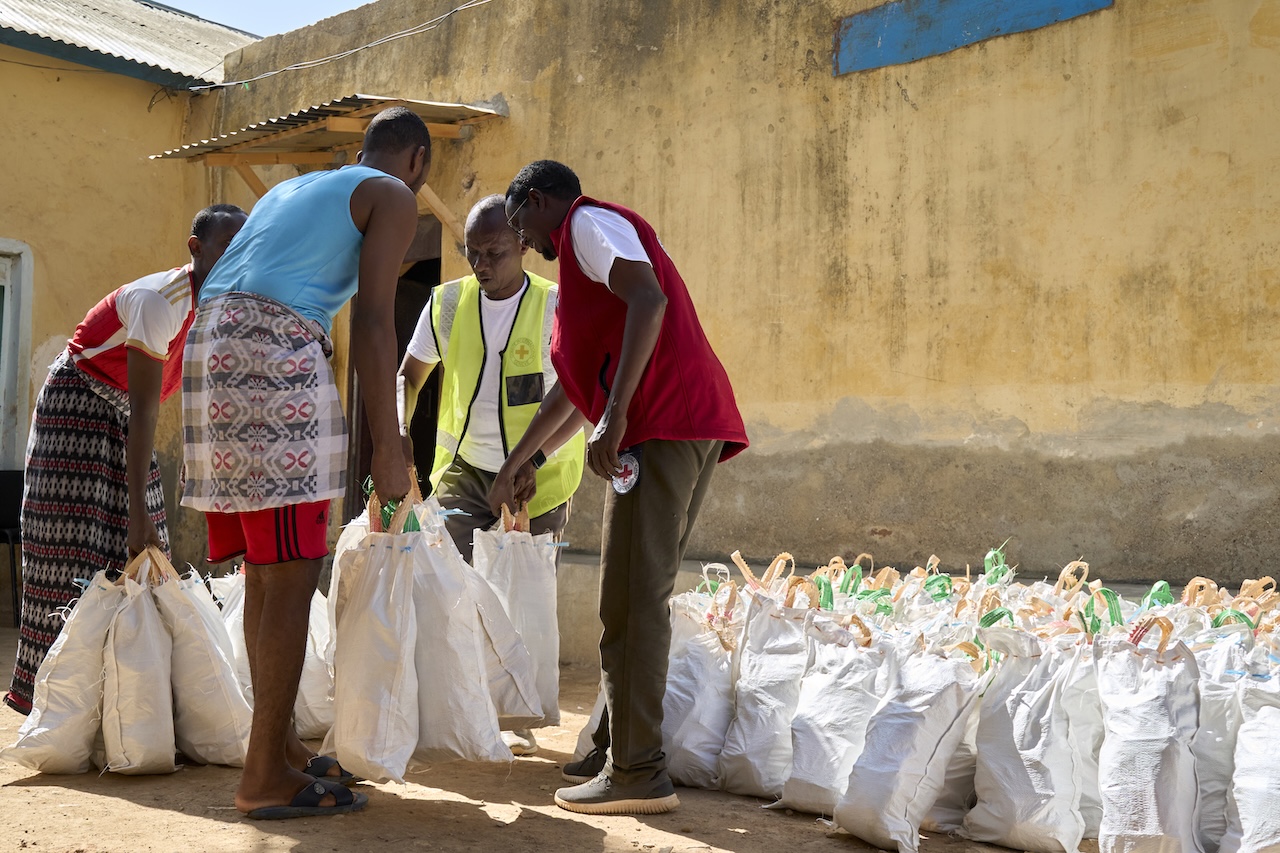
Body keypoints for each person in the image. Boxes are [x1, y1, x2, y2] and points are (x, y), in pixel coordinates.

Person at [181, 107, 427, 820]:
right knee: (291, 573)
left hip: (213, 345)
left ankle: (280, 746)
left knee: (267, 566)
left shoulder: (295, 189)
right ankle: (264, 776)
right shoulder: (394, 193)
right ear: (415, 159)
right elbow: (378, 321)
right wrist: (389, 445)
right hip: (272, 348)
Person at [492, 160, 748, 815]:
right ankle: (614, 746)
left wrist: (617, 413)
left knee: (630, 598)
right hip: (677, 421)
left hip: (659, 424)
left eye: (521, 221)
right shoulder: (582, 268)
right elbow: (575, 395)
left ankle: (636, 769)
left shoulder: (586, 225)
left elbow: (649, 299)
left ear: (542, 199)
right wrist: (523, 458)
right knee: (638, 589)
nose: (523, 239)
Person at [3, 204, 247, 716]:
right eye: (225, 245)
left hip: (126, 415)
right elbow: (143, 409)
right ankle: (52, 701)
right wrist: (138, 511)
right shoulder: (161, 301)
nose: (235, 256)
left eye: (242, 245)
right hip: (80, 403)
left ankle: (122, 703)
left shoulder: (222, 303)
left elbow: (198, 389)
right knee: (69, 548)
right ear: (195, 248)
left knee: (140, 558)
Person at [398, 194, 587, 757]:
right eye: (471, 253)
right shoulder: (448, 303)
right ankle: (460, 702)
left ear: (524, 246)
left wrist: (534, 463)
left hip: (540, 480)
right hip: (463, 471)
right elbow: (410, 374)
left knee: (519, 596)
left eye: (495, 253)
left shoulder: (557, 307)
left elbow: (575, 397)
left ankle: (516, 709)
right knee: (451, 587)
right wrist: (397, 429)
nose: (481, 265)